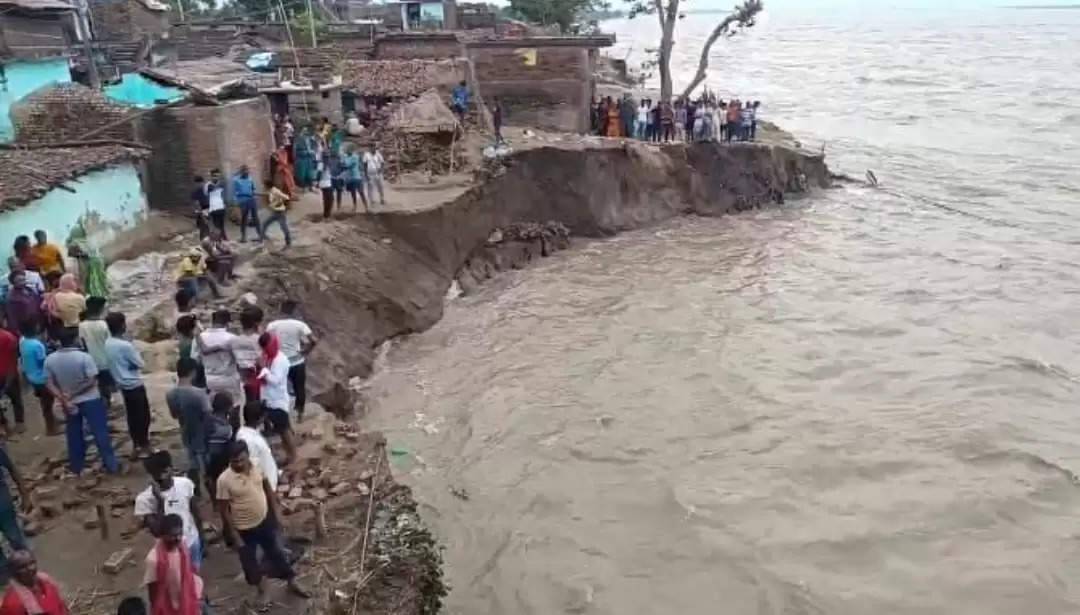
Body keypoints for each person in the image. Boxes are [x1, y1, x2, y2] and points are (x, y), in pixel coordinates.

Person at [216, 441, 309, 601]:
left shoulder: (258, 465)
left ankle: (291, 582)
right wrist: (235, 536)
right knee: (250, 563)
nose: (238, 464)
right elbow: (224, 510)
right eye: (233, 461)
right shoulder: (224, 480)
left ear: (247, 456)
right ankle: (261, 591)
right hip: (244, 529)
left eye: (241, 460)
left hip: (265, 521)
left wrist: (277, 514)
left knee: (277, 553)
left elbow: (268, 490)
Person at [45, 327, 119, 475]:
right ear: (74, 340)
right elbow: (91, 380)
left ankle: (76, 466)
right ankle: (111, 465)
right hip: (90, 399)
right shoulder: (84, 357)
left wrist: (63, 397)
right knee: (100, 433)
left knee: (74, 434)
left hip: (69, 403)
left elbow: (48, 382)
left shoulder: (50, 359)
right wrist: (74, 393)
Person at [135, 453, 205, 570]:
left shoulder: (185, 484)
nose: (161, 477)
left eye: (165, 472)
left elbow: (195, 513)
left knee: (194, 578)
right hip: (170, 551)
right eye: (156, 475)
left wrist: (202, 539)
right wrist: (160, 503)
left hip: (192, 541)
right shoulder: (144, 499)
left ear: (172, 468)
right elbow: (157, 532)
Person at [105, 312, 152, 459]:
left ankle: (136, 445)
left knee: (132, 417)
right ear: (122, 325)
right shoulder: (126, 346)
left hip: (122, 385)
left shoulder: (108, 343)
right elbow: (140, 364)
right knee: (143, 416)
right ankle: (144, 445)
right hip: (134, 384)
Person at [142, 513, 207, 615]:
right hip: (168, 609)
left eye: (179, 534)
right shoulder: (153, 559)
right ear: (163, 535)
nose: (177, 538)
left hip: (190, 602)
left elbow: (191, 573)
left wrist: (199, 595)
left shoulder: (183, 546)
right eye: (172, 535)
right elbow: (153, 592)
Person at [166, 358, 212, 489]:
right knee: (206, 464)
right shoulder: (199, 394)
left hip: (185, 431)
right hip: (202, 433)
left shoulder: (170, 394)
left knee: (192, 462)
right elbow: (208, 415)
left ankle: (194, 490)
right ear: (193, 372)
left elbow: (174, 415)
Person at [266, 300, 315, 422]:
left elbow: (267, 343)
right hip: (297, 361)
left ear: (280, 308)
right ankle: (300, 414)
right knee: (299, 388)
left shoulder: (272, 325)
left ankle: (281, 415)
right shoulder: (299, 325)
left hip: (279, 363)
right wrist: (306, 351)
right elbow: (314, 340)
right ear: (293, 311)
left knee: (278, 389)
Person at [256, 333, 297, 465]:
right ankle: (289, 454)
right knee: (281, 430)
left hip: (277, 400)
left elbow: (275, 380)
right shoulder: (269, 357)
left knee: (284, 430)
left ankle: (294, 456)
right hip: (269, 399)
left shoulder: (280, 360)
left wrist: (263, 368)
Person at [192, 310, 243, 411]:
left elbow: (195, 359)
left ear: (212, 321)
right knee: (233, 407)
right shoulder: (232, 338)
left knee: (213, 409)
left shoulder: (201, 337)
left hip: (210, 379)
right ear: (227, 323)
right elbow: (240, 361)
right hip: (229, 380)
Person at [19, 320, 59, 436]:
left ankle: (52, 422)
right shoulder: (37, 345)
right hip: (42, 378)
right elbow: (44, 362)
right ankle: (51, 428)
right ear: (35, 329)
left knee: (45, 401)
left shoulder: (23, 341)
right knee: (48, 402)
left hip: (31, 376)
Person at [0, 551, 68, 615]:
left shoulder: (47, 581)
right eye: (22, 567)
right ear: (13, 572)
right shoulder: (14, 603)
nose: (30, 568)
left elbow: (61, 605)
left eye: (32, 563)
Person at [0, 443, 30, 582]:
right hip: (3, 502)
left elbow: (12, 469)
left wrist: (25, 494)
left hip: (2, 503)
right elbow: (13, 470)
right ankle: (8, 575)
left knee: (15, 537)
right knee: (15, 537)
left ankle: (26, 570)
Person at [236, 402, 277, 490]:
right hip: (264, 490)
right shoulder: (248, 440)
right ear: (260, 418)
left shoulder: (251, 432)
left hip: (268, 484)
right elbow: (254, 470)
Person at [78, 296, 113, 404]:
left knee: (96, 387)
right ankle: (107, 404)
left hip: (91, 361)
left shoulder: (82, 325)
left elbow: (82, 344)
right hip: (105, 361)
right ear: (100, 309)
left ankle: (102, 404)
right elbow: (109, 343)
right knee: (106, 386)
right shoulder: (103, 325)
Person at [205, 392, 234, 499]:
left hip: (206, 455)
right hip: (219, 457)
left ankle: (214, 502)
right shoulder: (226, 429)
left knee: (210, 478)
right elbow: (229, 446)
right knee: (221, 479)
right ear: (227, 408)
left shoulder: (207, 420)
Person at [0, 317, 24, 434]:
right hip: (10, 373)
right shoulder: (9, 337)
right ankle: (20, 423)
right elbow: (14, 358)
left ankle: (5, 426)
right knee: (16, 399)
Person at [234, 307, 263, 405]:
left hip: (240, 376)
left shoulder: (235, 340)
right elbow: (261, 362)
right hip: (255, 376)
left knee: (247, 402)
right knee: (255, 403)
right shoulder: (258, 340)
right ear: (257, 323)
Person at [3, 272, 42, 336]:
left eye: (24, 279)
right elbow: (12, 316)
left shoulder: (30, 290)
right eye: (19, 280)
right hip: (26, 328)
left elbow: (37, 302)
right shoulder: (11, 297)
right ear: (13, 282)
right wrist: (18, 332)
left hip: (39, 323)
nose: (23, 282)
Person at [232, 166, 263, 243]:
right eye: (245, 171)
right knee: (244, 219)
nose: (247, 173)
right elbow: (234, 190)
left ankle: (260, 236)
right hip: (242, 200)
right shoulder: (236, 179)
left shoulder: (250, 178)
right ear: (242, 172)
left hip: (251, 199)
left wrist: (254, 196)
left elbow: (253, 189)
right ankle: (243, 237)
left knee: (255, 218)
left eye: (248, 171)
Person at [259, 180, 292, 248]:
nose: (264, 187)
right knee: (265, 224)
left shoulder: (275, 191)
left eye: (264, 186)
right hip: (275, 212)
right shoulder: (271, 191)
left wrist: (280, 203)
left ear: (267, 186)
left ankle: (288, 242)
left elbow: (286, 197)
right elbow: (265, 194)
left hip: (280, 212)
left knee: (283, 227)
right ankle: (262, 238)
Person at [206, 170, 227, 240]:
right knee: (217, 225)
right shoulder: (208, 185)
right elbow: (208, 193)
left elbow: (223, 195)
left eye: (218, 176)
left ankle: (224, 238)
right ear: (211, 176)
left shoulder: (221, 184)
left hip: (221, 207)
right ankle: (217, 241)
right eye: (215, 176)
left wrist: (224, 203)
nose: (216, 178)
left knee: (222, 225)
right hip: (213, 208)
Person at [317, 152, 335, 220]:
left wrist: (317, 183)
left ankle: (326, 215)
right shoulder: (322, 164)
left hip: (324, 183)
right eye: (327, 157)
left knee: (327, 199)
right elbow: (318, 174)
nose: (328, 158)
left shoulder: (323, 164)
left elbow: (318, 174)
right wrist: (317, 182)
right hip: (326, 183)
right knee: (330, 199)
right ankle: (327, 215)